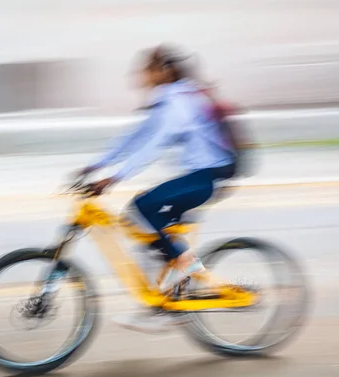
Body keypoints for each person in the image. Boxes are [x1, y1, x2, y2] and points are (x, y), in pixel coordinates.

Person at [75, 45, 241, 332]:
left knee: (142, 208)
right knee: (143, 226)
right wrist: (95, 165)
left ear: (164, 71)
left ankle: (181, 271)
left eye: (147, 68)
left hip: (208, 177)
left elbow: (154, 144)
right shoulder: (171, 99)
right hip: (199, 175)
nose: (141, 74)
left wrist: (113, 178)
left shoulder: (178, 102)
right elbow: (135, 137)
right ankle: (163, 302)